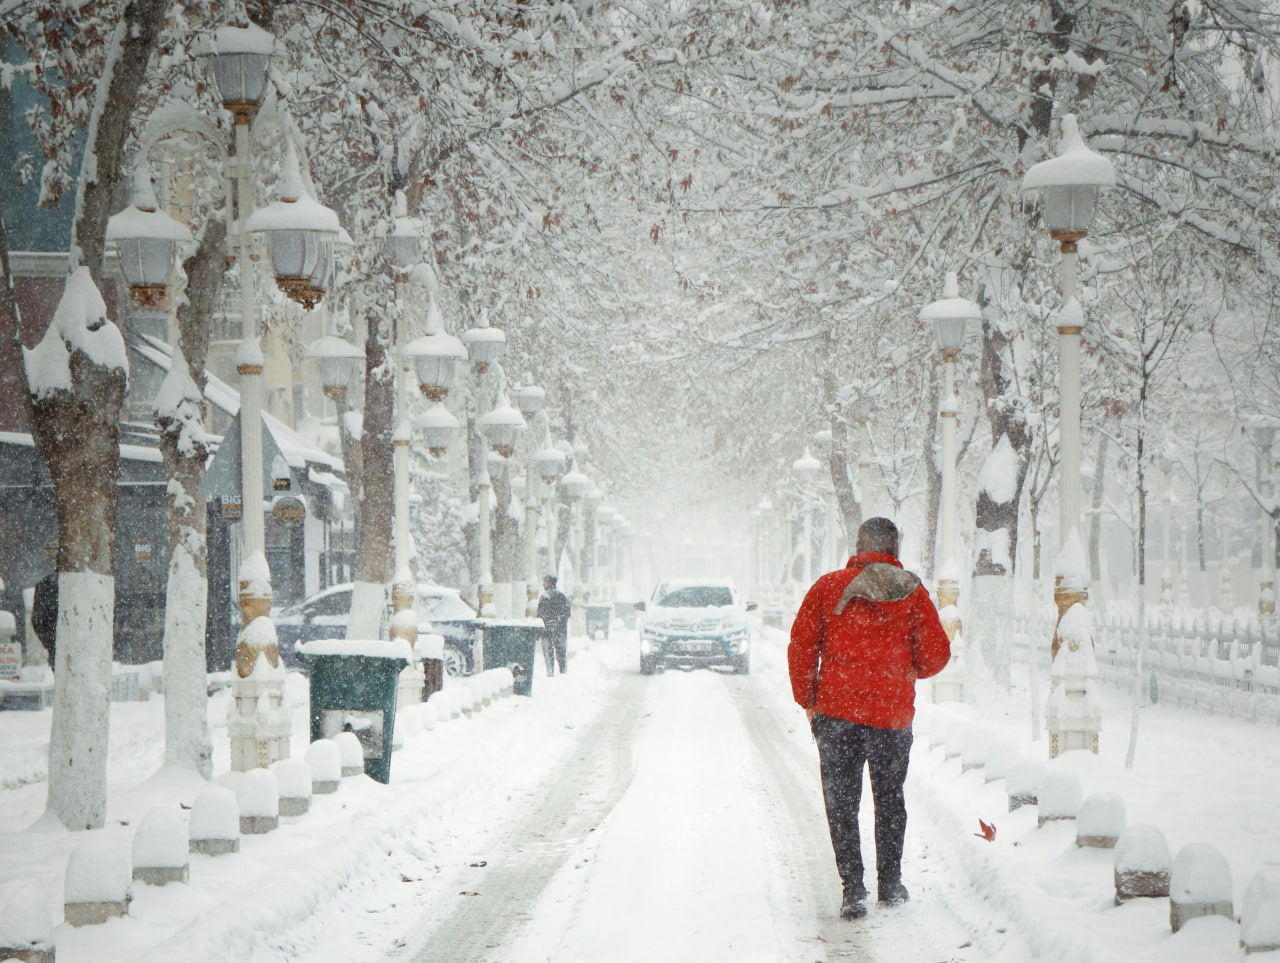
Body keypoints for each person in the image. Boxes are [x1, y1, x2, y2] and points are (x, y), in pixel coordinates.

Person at [788, 517, 951, 920]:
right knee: (890, 799)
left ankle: (853, 889)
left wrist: (808, 700)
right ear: (895, 549)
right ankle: (891, 884)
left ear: (858, 546)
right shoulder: (913, 593)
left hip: (837, 716)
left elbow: (802, 647)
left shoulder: (827, 588)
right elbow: (935, 654)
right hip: (891, 720)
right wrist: (901, 670)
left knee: (842, 803)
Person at [536, 574, 571, 676]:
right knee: (561, 653)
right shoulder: (562, 596)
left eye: (545, 581)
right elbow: (567, 613)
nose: (543, 584)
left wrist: (547, 625)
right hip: (561, 630)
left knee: (548, 654)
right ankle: (563, 673)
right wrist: (559, 622)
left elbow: (541, 615)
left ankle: (550, 674)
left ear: (550, 582)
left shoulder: (544, 597)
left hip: (547, 630)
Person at [31, 570, 58, 670]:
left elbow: (37, 620)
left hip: (56, 647)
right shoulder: (87, 584)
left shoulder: (46, 583)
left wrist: (51, 643)